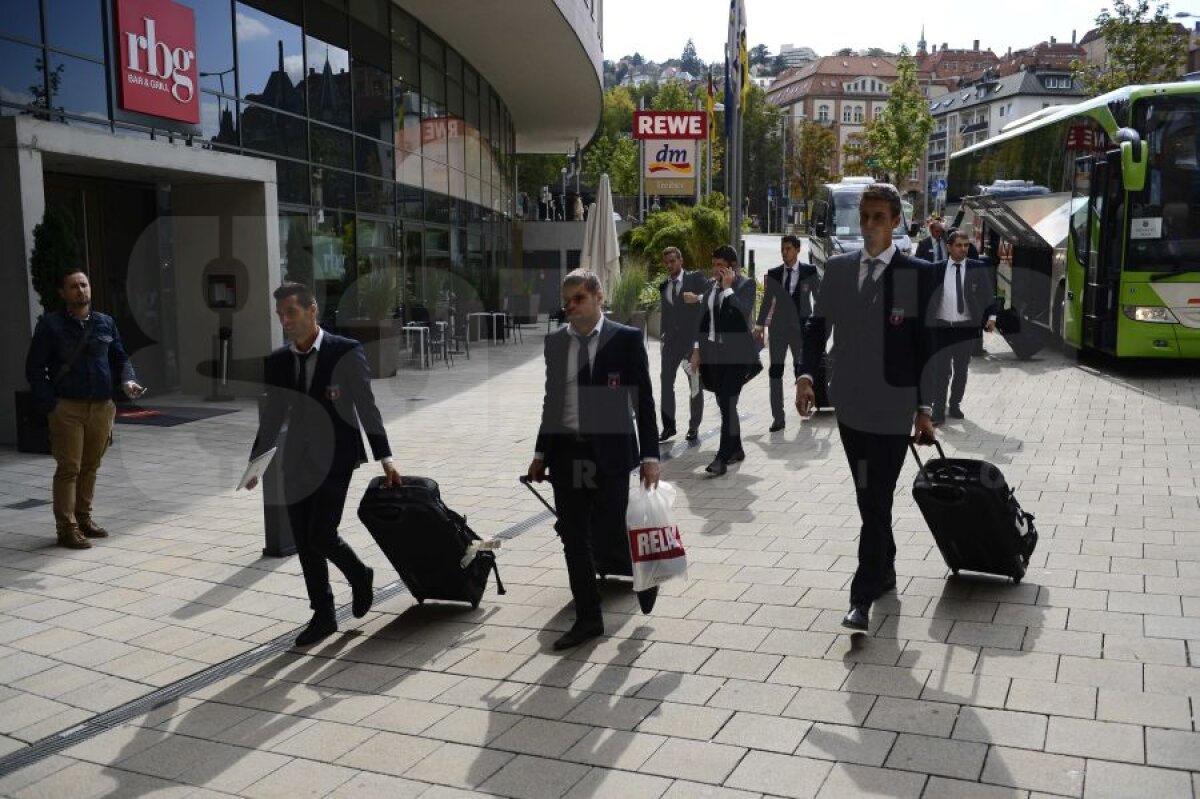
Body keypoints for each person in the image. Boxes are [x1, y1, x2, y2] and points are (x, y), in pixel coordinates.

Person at [795, 184, 938, 633]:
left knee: (875, 497)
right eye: (865, 217)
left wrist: (924, 408)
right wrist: (804, 376)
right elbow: (818, 329)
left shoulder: (915, 272)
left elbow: (925, 347)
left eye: (879, 217)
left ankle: (861, 598)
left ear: (896, 222)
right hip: (852, 407)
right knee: (868, 497)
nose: (871, 226)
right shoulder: (837, 269)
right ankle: (886, 568)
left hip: (894, 409)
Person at [247, 282, 401, 647]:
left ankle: (359, 575)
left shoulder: (346, 352)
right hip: (295, 461)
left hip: (336, 457)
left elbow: (366, 406)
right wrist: (256, 464)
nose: (285, 321)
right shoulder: (279, 362)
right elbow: (272, 417)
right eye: (280, 315)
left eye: (291, 312)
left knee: (321, 533)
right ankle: (323, 614)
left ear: (312, 309)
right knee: (304, 540)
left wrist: (385, 456)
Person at [527, 269, 661, 651]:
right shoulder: (556, 343)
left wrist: (650, 456)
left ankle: (644, 572)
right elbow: (552, 402)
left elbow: (644, 403)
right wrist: (540, 454)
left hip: (613, 453)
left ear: (598, 297)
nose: (569, 307)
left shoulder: (626, 339)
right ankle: (589, 618)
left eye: (578, 299)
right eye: (566, 301)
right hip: (569, 453)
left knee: (614, 526)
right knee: (574, 536)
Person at [25, 269, 145, 550]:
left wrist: (128, 379)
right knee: (69, 468)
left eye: (84, 284)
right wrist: (50, 406)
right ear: (63, 293)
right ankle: (66, 528)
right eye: (74, 286)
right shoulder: (50, 326)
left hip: (102, 407)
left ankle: (83, 519)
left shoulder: (105, 322)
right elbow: (34, 367)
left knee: (91, 466)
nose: (81, 290)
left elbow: (120, 357)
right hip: (67, 407)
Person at [691, 245, 757, 476]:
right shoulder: (711, 287)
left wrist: (728, 290)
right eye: (714, 264)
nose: (716, 269)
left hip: (737, 356)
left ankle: (721, 458)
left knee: (728, 403)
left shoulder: (745, 285)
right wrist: (697, 349)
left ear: (732, 267)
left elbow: (742, 315)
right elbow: (703, 320)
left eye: (720, 265)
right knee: (724, 403)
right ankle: (736, 448)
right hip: (714, 355)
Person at [927, 229, 997, 424]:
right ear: (949, 247)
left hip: (965, 328)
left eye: (966, 245)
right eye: (959, 245)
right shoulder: (937, 269)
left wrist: (991, 317)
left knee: (961, 370)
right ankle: (938, 411)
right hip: (942, 327)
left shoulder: (977, 268)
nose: (963, 249)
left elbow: (988, 295)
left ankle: (955, 404)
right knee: (941, 371)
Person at [754, 234, 820, 432]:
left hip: (801, 330)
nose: (785, 253)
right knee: (775, 371)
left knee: (801, 370)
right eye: (783, 249)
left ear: (797, 249)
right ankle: (778, 417)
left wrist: (816, 324)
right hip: (778, 330)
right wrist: (759, 326)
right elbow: (767, 301)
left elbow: (819, 298)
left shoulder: (810, 271)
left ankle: (805, 406)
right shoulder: (774, 274)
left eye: (788, 249)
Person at [657, 246, 707, 443]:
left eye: (672, 261)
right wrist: (662, 336)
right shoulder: (664, 286)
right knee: (665, 383)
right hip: (670, 344)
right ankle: (669, 427)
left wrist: (697, 298)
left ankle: (694, 427)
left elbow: (712, 294)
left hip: (691, 343)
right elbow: (666, 313)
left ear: (681, 260)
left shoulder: (695, 279)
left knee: (694, 384)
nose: (669, 265)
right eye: (667, 262)